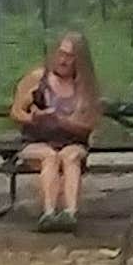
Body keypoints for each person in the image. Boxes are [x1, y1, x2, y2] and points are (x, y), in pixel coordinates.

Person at [9, 31, 102, 232]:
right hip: (37, 140)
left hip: (72, 141)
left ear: (79, 60)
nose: (63, 60)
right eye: (60, 54)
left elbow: (88, 124)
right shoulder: (37, 79)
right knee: (49, 157)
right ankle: (48, 213)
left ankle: (70, 213)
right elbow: (16, 112)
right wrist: (34, 118)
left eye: (69, 56)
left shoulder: (85, 87)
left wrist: (61, 121)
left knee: (71, 157)